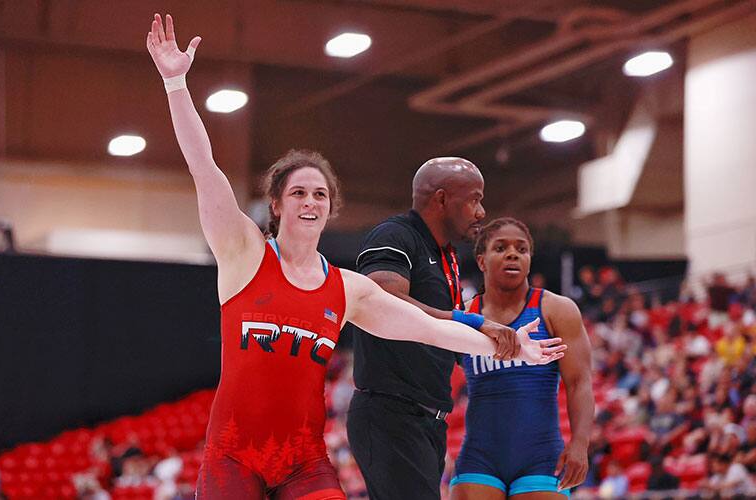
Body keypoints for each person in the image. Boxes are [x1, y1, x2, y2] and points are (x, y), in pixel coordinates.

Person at [146, 14, 566, 499]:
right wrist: (176, 81)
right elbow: (204, 165)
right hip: (233, 457)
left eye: (320, 195)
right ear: (277, 204)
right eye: (299, 193)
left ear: (330, 207)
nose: (310, 202)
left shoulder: (346, 288)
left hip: (303, 462)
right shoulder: (243, 253)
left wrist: (507, 346)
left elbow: (428, 328)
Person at [347, 157, 521, 500]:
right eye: (474, 199)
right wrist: (471, 321)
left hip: (427, 418)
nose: (481, 211)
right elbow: (385, 302)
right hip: (390, 414)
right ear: (441, 200)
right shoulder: (395, 235)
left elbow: (445, 335)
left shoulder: (447, 255)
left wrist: (514, 356)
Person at [450, 217, 594, 499]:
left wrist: (580, 444)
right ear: (481, 261)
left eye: (522, 249)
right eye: (501, 248)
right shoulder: (464, 315)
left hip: (541, 456)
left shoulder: (557, 310)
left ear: (529, 259)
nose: (512, 254)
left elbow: (579, 382)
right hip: (479, 456)